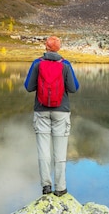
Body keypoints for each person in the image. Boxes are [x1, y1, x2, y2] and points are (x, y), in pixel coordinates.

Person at [24, 36, 80, 197]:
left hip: (41, 111)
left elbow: (29, 87)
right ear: (59, 48)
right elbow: (74, 88)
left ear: (46, 47)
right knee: (60, 151)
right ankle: (61, 188)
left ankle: (46, 186)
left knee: (43, 150)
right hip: (61, 111)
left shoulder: (37, 63)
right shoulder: (66, 65)